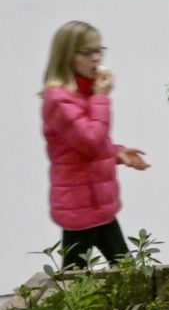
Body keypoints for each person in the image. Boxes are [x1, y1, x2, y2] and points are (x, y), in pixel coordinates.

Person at [41, 21, 149, 270]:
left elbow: (85, 148)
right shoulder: (58, 100)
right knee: (76, 284)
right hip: (79, 210)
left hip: (98, 206)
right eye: (88, 52)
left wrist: (117, 152)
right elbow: (89, 141)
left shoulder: (82, 96)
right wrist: (101, 96)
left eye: (99, 50)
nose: (97, 58)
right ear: (68, 57)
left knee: (126, 274)